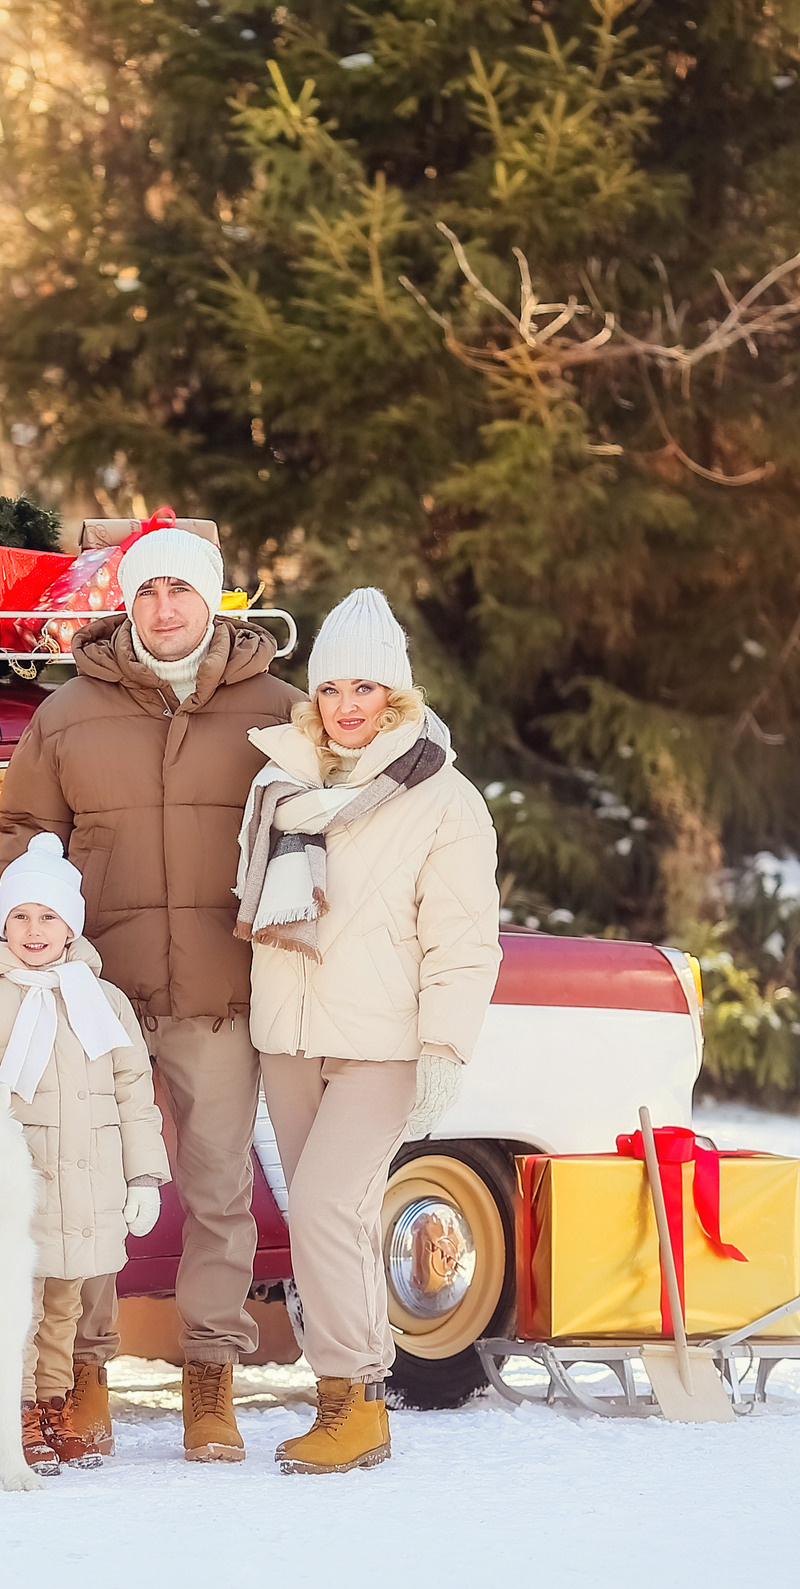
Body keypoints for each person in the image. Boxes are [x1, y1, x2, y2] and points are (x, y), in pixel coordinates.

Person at [0, 518, 304, 1464]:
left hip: (220, 990)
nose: (163, 608)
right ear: (128, 602)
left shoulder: (278, 709)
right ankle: (83, 1373)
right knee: (83, 1181)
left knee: (217, 1189)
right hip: (89, 995)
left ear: (214, 601)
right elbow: (22, 836)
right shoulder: (69, 713)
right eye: (147, 591)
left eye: (182, 591)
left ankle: (210, 1380)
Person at [232, 587, 500, 1473]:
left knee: (323, 1205)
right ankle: (352, 1405)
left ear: (398, 696)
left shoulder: (444, 799)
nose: (348, 707)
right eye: (334, 689)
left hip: (381, 1043)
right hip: (291, 1033)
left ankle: (357, 1399)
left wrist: (444, 1046)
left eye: (367, 690)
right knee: (330, 1226)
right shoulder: (282, 781)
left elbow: (462, 937)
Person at [0, 833, 165, 1472]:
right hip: (20, 1190)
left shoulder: (103, 1003)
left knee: (65, 1304)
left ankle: (56, 1401)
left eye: (49, 916)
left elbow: (133, 1093)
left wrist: (143, 1177)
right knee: (19, 1307)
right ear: (4, 924)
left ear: (71, 926)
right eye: (21, 916)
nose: (34, 930)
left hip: (86, 1189)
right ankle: (20, 1411)